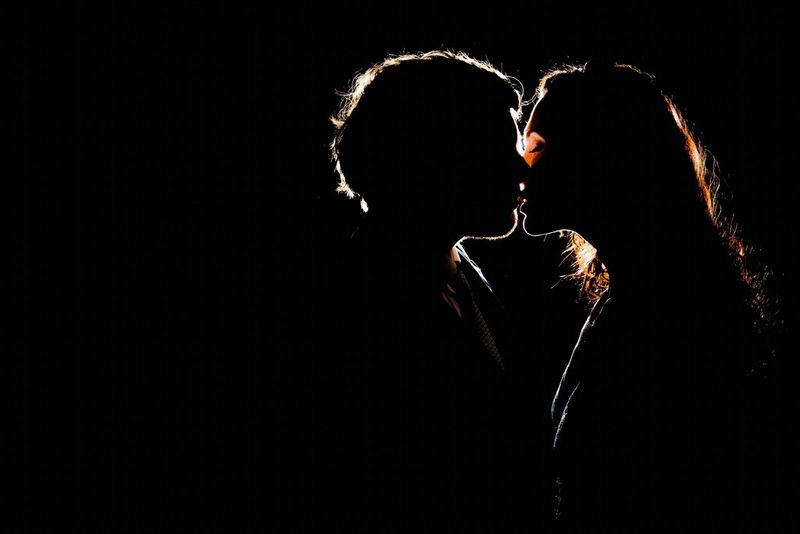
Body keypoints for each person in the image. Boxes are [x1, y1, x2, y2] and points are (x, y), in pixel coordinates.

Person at [518, 63, 778, 531]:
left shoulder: (670, 315)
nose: (520, 169)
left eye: (539, 150)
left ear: (597, 160)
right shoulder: (637, 290)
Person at [310, 51, 539, 529]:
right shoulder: (352, 311)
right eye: (498, 149)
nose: (522, 172)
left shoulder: (464, 277)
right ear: (434, 157)